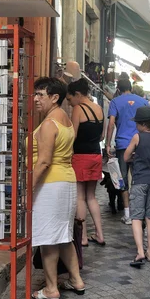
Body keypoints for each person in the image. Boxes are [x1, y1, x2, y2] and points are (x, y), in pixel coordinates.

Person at [31, 77, 85, 299]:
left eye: (40, 95)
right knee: (64, 236)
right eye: (35, 94)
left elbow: (43, 162)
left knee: (48, 237)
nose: (35, 99)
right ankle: (76, 280)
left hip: (50, 185)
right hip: (66, 182)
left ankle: (51, 288)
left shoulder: (48, 124)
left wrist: (27, 189)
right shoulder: (65, 120)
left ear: (54, 98)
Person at [123, 106, 150, 266]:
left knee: (137, 217)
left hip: (140, 180)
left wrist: (135, 156)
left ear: (142, 124)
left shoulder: (137, 137)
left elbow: (126, 157)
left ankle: (140, 252)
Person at [67, 78, 106, 247]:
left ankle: (82, 237)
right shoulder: (99, 108)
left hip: (81, 156)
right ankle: (100, 234)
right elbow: (101, 136)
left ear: (77, 94)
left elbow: (73, 135)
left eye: (69, 99)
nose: (69, 103)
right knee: (92, 196)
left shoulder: (78, 109)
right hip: (96, 155)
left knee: (80, 197)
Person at [106, 79, 149, 225]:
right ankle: (140, 212)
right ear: (131, 88)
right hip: (141, 142)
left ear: (118, 88)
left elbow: (111, 123)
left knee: (122, 178)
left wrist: (107, 144)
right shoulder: (142, 101)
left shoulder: (116, 102)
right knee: (139, 177)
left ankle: (128, 213)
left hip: (123, 144)